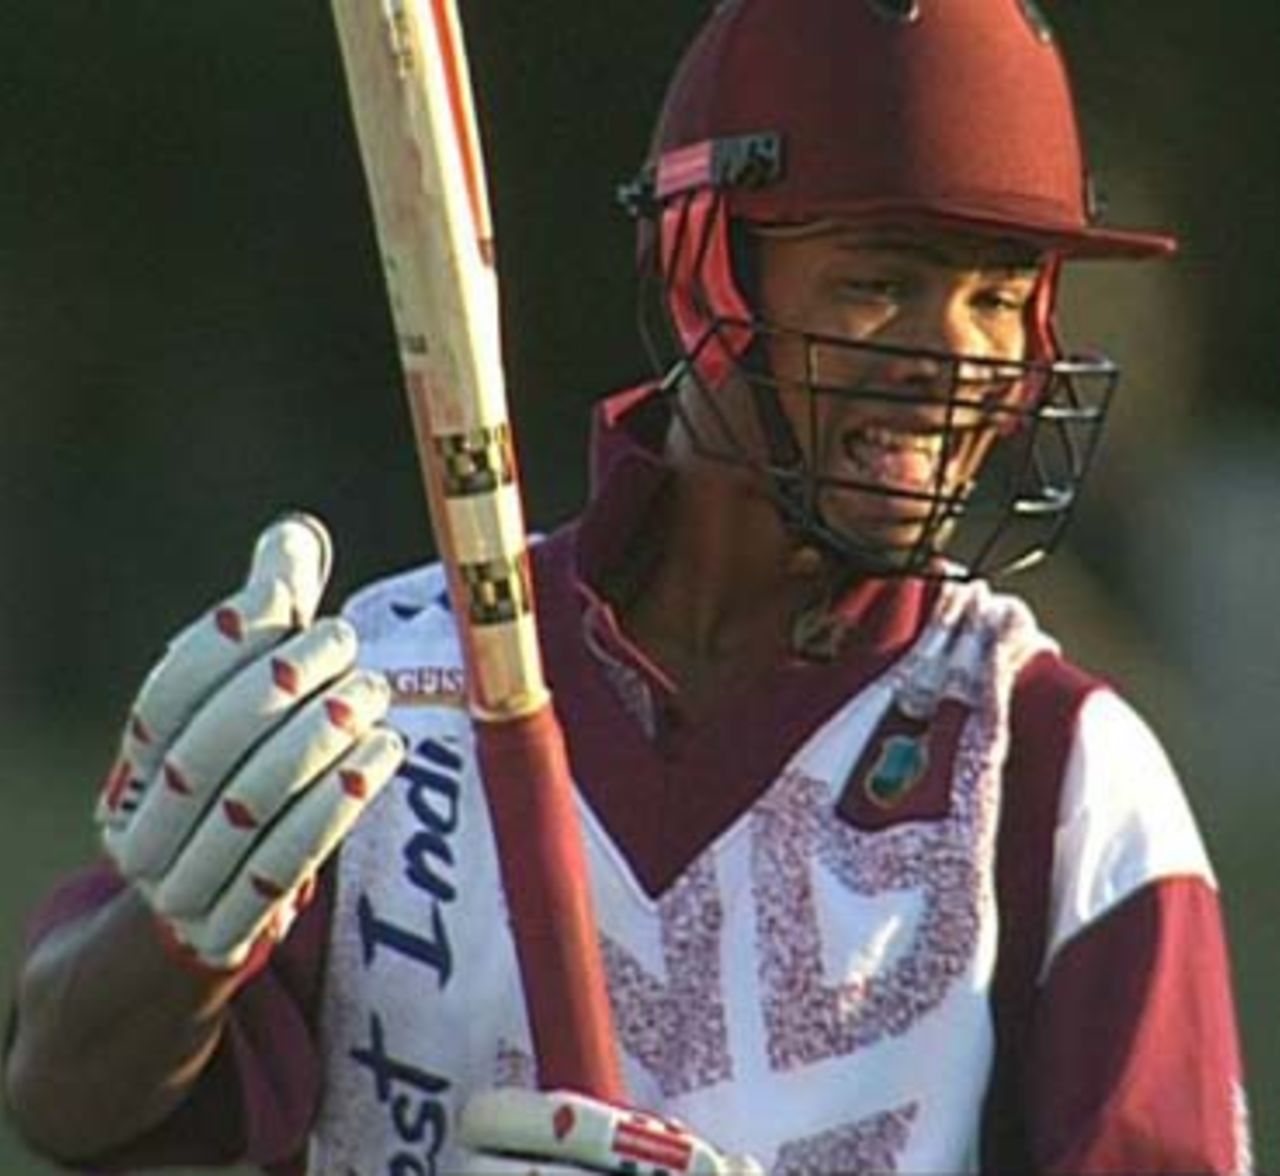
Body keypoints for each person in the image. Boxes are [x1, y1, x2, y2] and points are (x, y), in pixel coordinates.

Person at [3, 1, 1253, 1173]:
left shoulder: (1058, 769)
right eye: (881, 283)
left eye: (997, 298)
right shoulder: (386, 691)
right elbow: (59, 1096)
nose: (954, 357)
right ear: (705, 268)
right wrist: (178, 934)